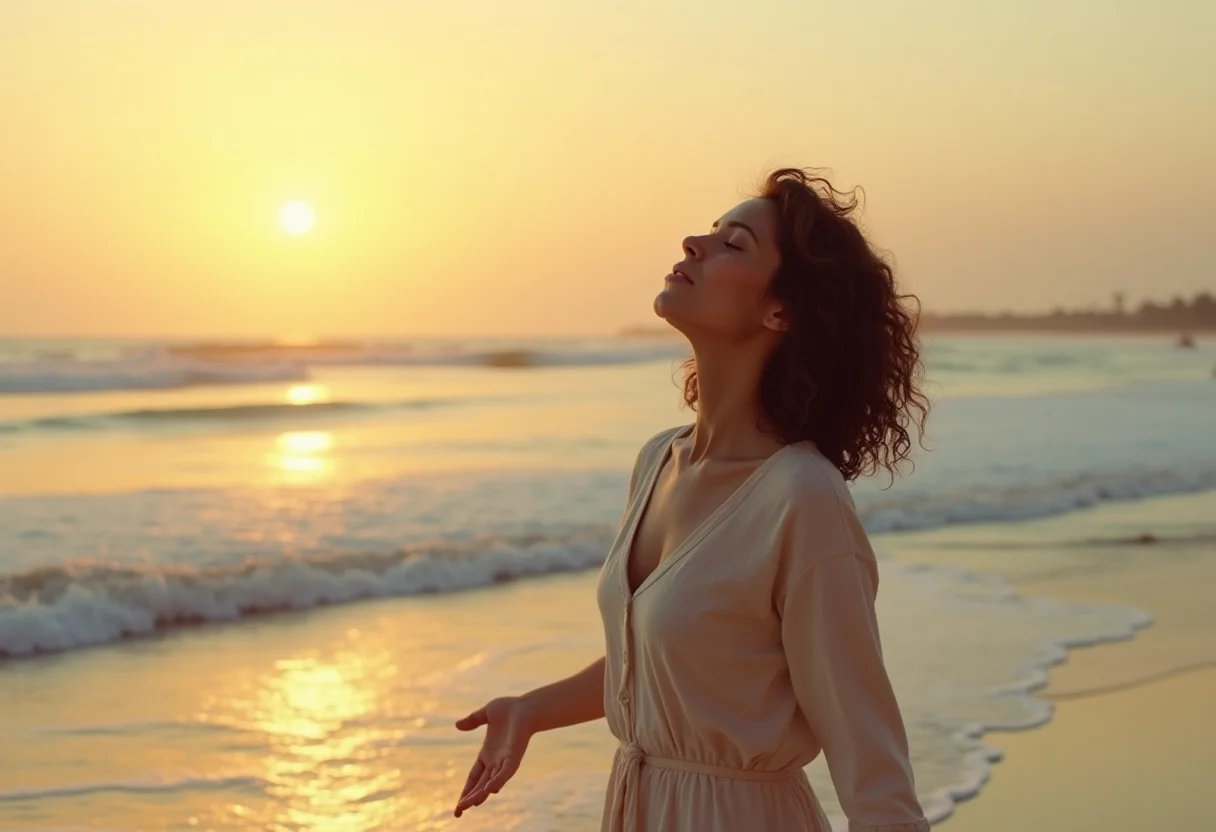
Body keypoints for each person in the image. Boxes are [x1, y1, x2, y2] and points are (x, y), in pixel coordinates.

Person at [453, 168, 932, 831]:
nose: (693, 244)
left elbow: (869, 756)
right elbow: (675, 665)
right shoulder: (658, 461)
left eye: (732, 243)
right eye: (709, 232)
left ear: (781, 310)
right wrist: (533, 710)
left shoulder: (803, 500)